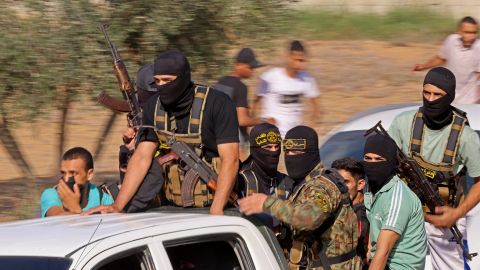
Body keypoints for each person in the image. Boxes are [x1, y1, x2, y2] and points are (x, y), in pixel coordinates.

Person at [86, 50, 239, 215]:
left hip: (218, 205)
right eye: (157, 81)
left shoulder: (218, 103)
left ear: (184, 78)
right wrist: (118, 206)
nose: (162, 86)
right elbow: (142, 157)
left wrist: (216, 210)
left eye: (167, 80)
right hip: (172, 207)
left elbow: (231, 159)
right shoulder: (154, 106)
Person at [388, 67, 480, 269]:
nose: (430, 99)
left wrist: (457, 214)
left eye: (437, 94)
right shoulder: (403, 124)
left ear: (450, 97)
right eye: (426, 92)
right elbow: (384, 165)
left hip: (444, 219)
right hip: (406, 215)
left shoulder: (465, 137)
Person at [238, 126, 361, 269]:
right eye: (287, 152)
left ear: (312, 153)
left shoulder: (322, 186)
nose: (291, 157)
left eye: (297, 152)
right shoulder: (304, 183)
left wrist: (266, 203)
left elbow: (308, 219)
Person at [362, 134, 427, 270]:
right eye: (368, 158)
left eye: (379, 159)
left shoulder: (398, 196)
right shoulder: (370, 187)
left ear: (391, 163)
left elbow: (383, 252)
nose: (372, 164)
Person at [215, 48, 274, 160]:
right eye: (250, 67)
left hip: (217, 139)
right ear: (238, 65)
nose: (252, 71)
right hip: (235, 141)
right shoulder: (240, 87)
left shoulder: (220, 82)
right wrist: (264, 121)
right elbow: (242, 120)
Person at [253, 40, 320, 136]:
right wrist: (255, 125)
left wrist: (312, 126)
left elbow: (316, 106)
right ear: (288, 57)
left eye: (303, 60)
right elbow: (256, 101)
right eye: (297, 60)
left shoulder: (307, 78)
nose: (300, 64)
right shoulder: (270, 76)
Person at [413, 16, 480, 104]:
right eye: (467, 32)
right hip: (448, 96)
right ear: (459, 31)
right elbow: (441, 58)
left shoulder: (478, 47)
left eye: (474, 33)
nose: (471, 36)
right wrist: (423, 67)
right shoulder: (451, 41)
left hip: (470, 101)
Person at [40, 147, 114, 217]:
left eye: (73, 173)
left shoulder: (101, 197)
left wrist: (75, 208)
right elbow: (56, 217)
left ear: (89, 174)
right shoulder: (51, 194)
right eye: (63, 173)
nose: (66, 179)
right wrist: (74, 207)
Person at [237, 123, 293, 199]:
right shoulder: (240, 180)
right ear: (255, 150)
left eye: (276, 146)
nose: (274, 151)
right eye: (268, 147)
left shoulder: (287, 183)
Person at [332, 157, 369, 268]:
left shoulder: (364, 213)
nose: (340, 186)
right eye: (336, 181)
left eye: (345, 182)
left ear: (360, 184)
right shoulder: (340, 206)